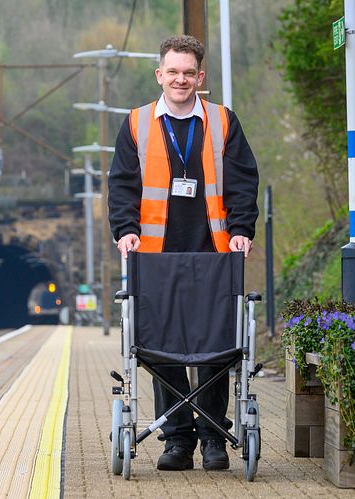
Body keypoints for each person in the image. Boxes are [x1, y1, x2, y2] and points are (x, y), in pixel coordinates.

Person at [108, 35, 259, 471]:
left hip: (213, 251)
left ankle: (214, 437)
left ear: (200, 77)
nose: (180, 79)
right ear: (159, 75)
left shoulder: (223, 122)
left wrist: (241, 230)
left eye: (188, 72)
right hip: (155, 255)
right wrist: (126, 231)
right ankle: (177, 441)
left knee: (214, 345)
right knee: (160, 346)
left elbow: (243, 181)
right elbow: (121, 185)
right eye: (172, 71)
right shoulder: (136, 124)